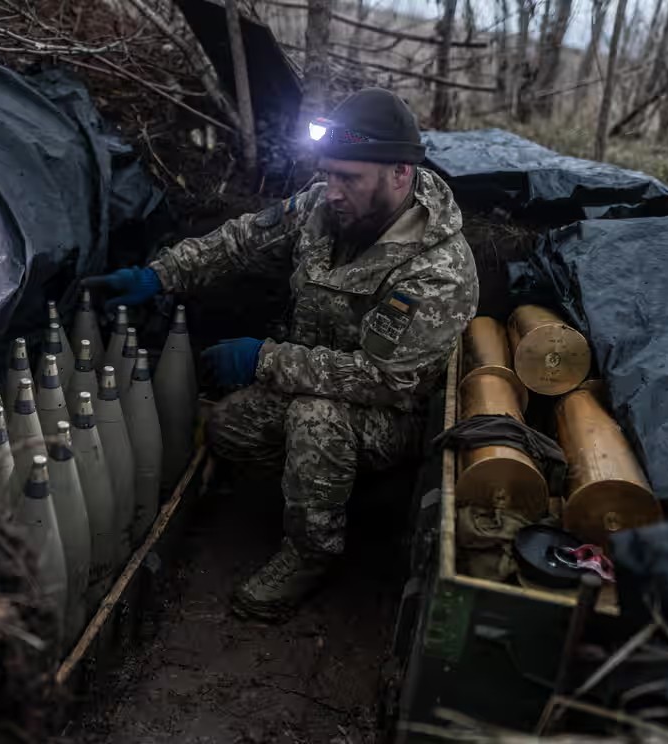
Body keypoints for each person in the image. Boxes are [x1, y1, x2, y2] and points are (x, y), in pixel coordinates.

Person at [84, 87, 479, 623]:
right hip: (310, 377)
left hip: (391, 416)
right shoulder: (326, 204)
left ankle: (312, 553)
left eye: (349, 178)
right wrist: (160, 274)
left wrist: (263, 360)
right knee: (228, 429)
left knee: (315, 420)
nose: (332, 191)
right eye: (328, 173)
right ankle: (329, 491)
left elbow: (389, 382)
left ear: (399, 175)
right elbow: (244, 239)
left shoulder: (437, 271)